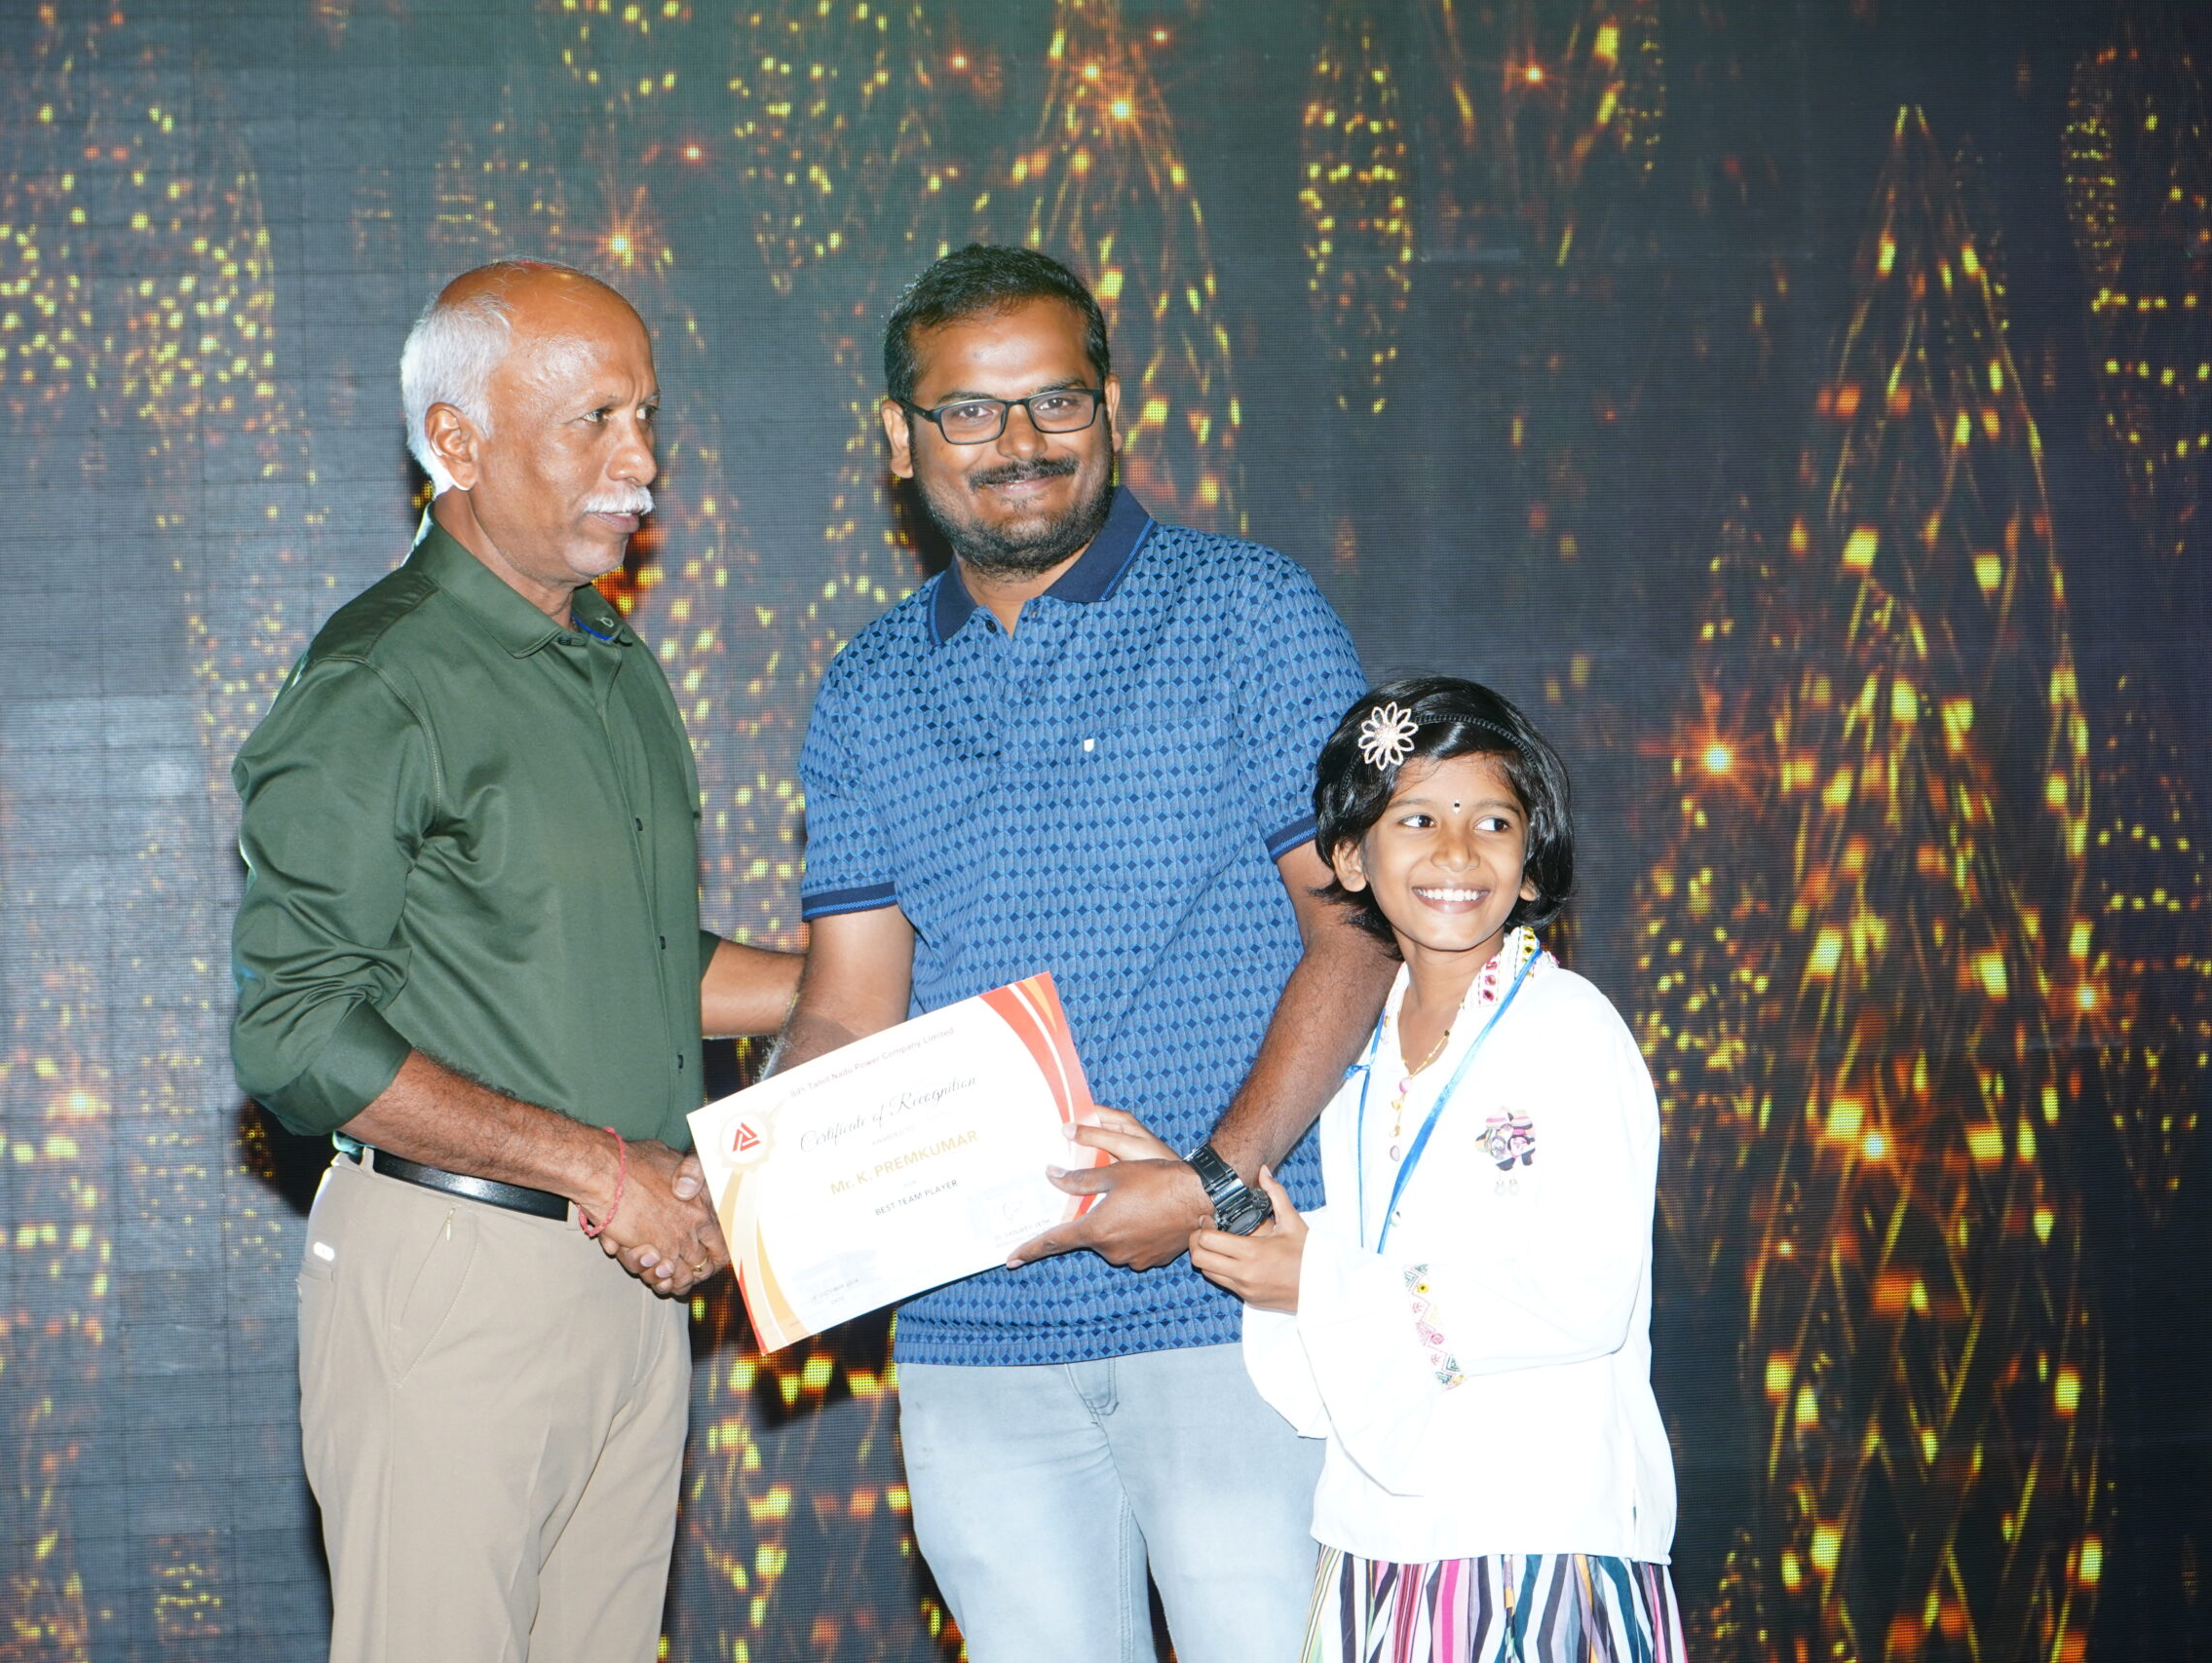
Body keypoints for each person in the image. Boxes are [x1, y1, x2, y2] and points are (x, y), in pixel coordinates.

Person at [774, 244, 1392, 1663]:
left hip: (1235, 1296)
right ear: (901, 439)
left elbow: (1356, 928)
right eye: (970, 411)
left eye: (1056, 400)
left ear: (1110, 408)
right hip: (972, 1326)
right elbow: (848, 1011)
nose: (1020, 442)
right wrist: (760, 1188)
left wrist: (1211, 1183)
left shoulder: (1250, 610)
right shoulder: (866, 687)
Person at [228, 260, 800, 1663]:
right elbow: (295, 1033)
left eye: (646, 416)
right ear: (458, 442)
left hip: (635, 1271)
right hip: (463, 1270)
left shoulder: (612, 659)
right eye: (593, 420)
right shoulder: (379, 679)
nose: (642, 462)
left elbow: (631, 963)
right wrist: (601, 1171)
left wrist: (836, 989)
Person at [1125, 674, 1685, 1660]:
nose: (1457, 852)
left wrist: (1324, 1282)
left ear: (1531, 860)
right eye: (1418, 818)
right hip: (1382, 1535)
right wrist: (1223, 1214)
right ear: (1350, 855)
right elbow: (1354, 1256)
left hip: (1536, 1530)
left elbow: (1586, 1291)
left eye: (1493, 822)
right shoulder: (1362, 1061)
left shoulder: (1569, 1030)